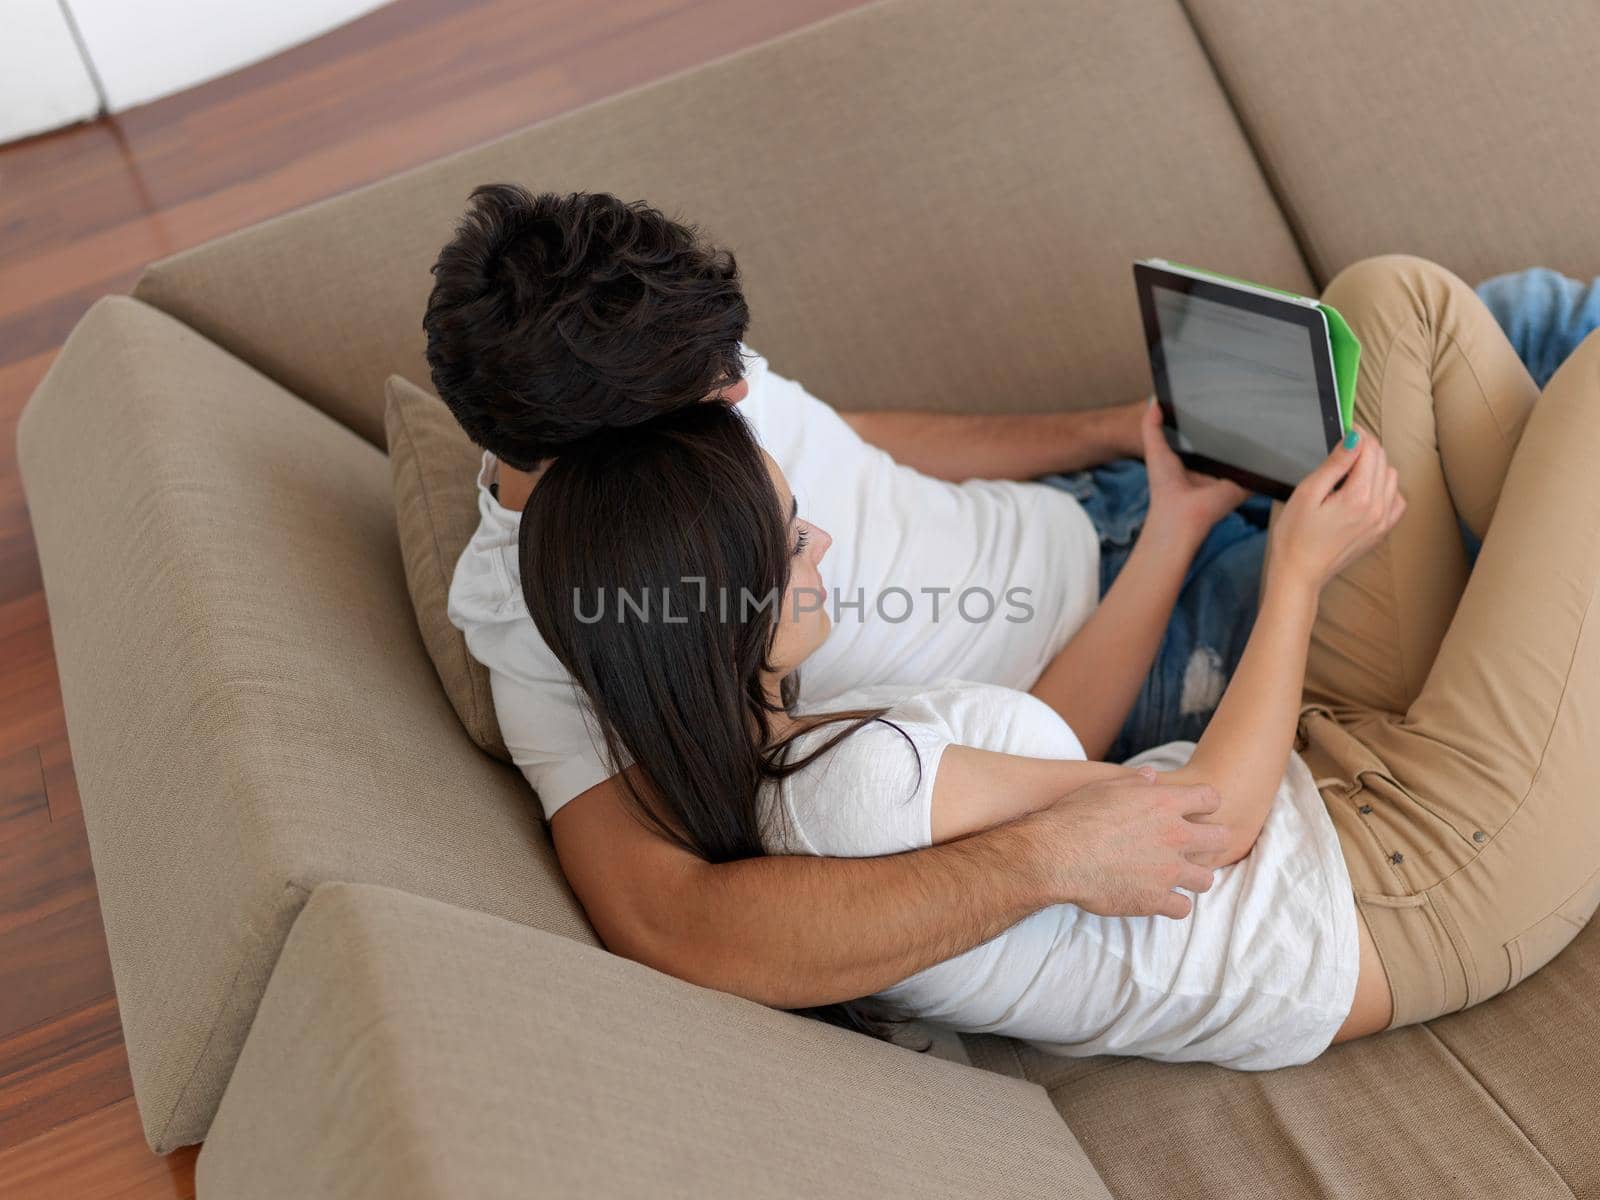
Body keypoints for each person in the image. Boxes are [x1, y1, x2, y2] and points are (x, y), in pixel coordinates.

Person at [519, 252, 1600, 1061]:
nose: (826, 545)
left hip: (1335, 787)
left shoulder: (801, 756)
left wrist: (1173, 523)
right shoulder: (855, 785)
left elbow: (1060, 744)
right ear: (716, 608)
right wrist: (1296, 578)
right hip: (1416, 882)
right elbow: (1207, 833)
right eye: (794, 539)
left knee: (1394, 306)